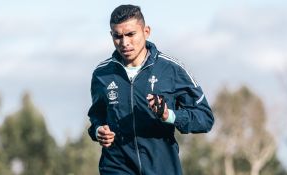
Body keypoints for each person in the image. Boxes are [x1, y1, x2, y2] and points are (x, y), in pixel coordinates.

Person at [87, 4, 214, 175]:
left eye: (131, 34)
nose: (125, 43)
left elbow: (205, 119)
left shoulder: (172, 70)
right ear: (111, 35)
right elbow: (97, 115)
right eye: (118, 36)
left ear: (146, 31)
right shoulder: (102, 74)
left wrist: (169, 115)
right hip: (116, 167)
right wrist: (98, 130)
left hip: (162, 168)